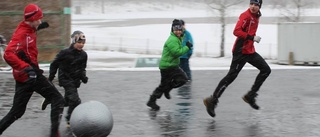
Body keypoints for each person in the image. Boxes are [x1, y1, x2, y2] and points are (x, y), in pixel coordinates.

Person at [0, 4, 64, 137]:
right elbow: (7, 54)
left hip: (23, 77)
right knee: (57, 99)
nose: (40, 21)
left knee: (17, 112)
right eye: (39, 19)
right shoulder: (22, 34)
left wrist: (39, 27)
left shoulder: (28, 27)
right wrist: (26, 68)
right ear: (33, 19)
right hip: (30, 74)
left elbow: (29, 33)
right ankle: (54, 134)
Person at [203, 0, 271, 118]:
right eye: (252, 4)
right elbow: (236, 31)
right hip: (240, 52)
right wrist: (251, 37)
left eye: (256, 5)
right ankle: (212, 100)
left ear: (260, 6)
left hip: (249, 50)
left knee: (266, 70)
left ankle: (250, 95)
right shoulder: (246, 16)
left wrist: (251, 40)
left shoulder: (256, 16)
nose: (253, 7)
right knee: (231, 77)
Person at [41, 30, 89, 127]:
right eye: (79, 42)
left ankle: (51, 100)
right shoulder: (65, 53)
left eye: (83, 43)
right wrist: (51, 77)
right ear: (73, 41)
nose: (81, 45)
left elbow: (82, 68)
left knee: (68, 101)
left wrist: (83, 77)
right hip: (65, 79)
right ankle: (69, 120)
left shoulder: (84, 55)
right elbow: (54, 64)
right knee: (76, 101)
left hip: (75, 80)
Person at [146, 19, 193, 110]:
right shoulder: (172, 40)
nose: (178, 32)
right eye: (176, 30)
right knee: (163, 85)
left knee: (183, 79)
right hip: (167, 67)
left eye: (179, 29)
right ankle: (151, 101)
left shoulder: (179, 37)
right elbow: (176, 52)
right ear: (172, 30)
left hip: (173, 66)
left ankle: (167, 89)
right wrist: (187, 47)